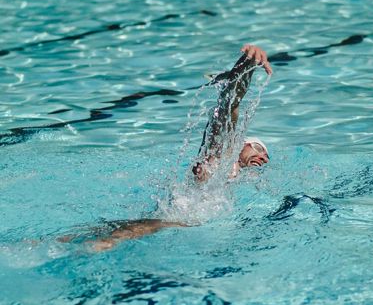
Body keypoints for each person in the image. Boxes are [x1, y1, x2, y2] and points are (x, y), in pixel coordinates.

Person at [63, 44, 272, 252]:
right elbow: (228, 107)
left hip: (174, 221)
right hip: (176, 222)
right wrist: (246, 66)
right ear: (239, 145)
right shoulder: (221, 158)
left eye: (266, 156)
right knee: (114, 237)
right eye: (257, 147)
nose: (262, 156)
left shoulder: (236, 182)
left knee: (102, 231)